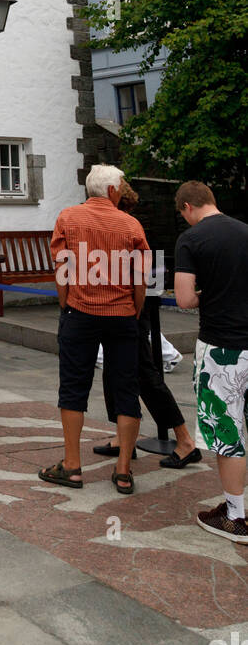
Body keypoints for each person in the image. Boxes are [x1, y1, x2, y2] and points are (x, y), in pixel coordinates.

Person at [39, 164, 146, 494]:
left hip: (80, 312)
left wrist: (66, 303)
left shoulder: (68, 218)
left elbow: (62, 269)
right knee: (127, 389)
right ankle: (124, 470)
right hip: (122, 315)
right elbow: (141, 280)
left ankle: (72, 466)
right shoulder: (131, 225)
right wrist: (134, 311)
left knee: (73, 387)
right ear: (113, 191)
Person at [93, 180, 199, 469]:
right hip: (121, 312)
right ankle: (121, 438)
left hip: (130, 311)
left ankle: (185, 439)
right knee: (114, 373)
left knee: (146, 376)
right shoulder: (125, 225)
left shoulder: (125, 227)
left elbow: (138, 273)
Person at [174, 180, 248, 543]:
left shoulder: (191, 240)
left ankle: (236, 516)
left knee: (226, 432)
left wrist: (211, 295)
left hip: (221, 348)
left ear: (187, 207)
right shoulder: (245, 231)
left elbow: (185, 299)